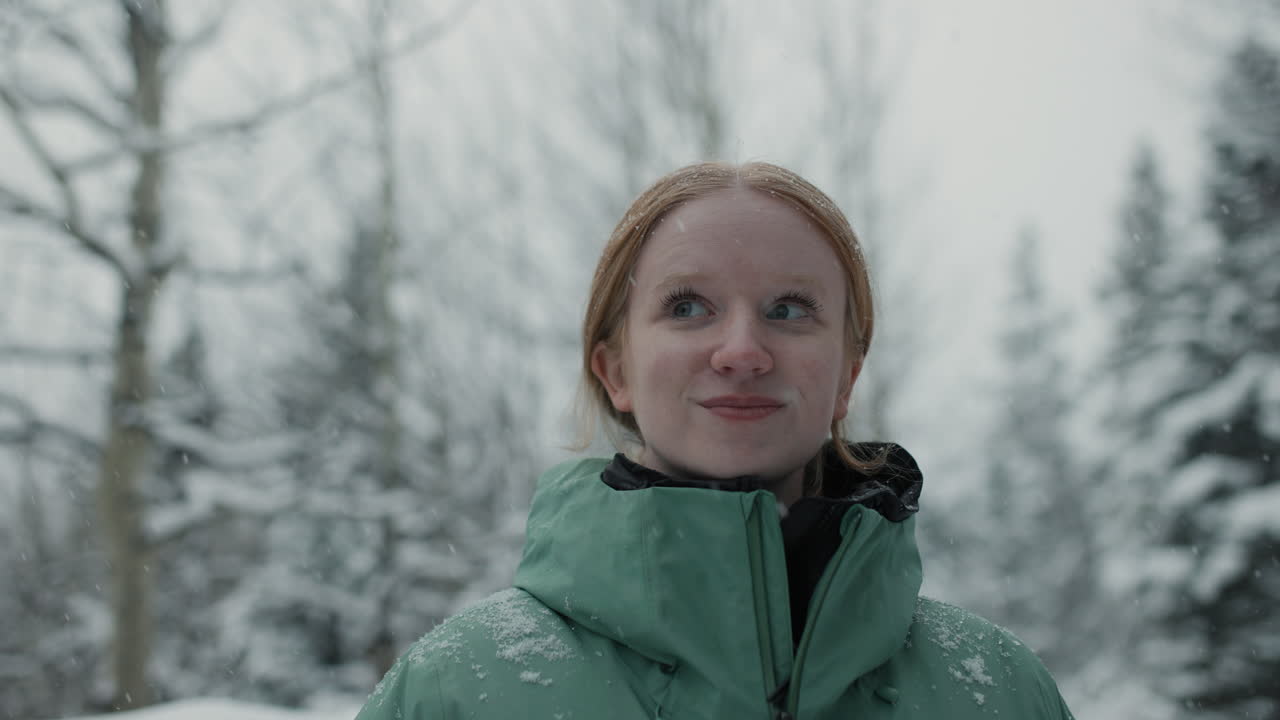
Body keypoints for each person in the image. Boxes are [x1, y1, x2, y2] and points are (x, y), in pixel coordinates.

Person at [356, 161, 1075, 719]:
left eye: (788, 309)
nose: (741, 351)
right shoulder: (455, 690)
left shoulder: (997, 690)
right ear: (616, 371)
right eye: (687, 306)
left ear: (846, 377)